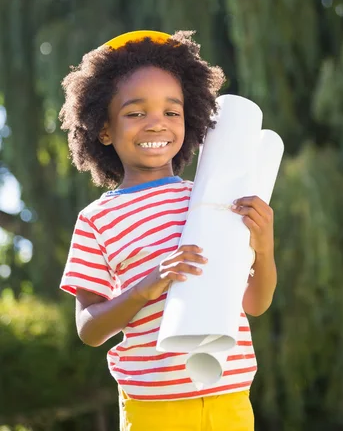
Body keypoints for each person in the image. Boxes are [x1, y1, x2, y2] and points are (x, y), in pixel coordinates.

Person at [59, 30, 277, 431]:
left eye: (171, 112)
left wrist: (264, 249)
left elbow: (254, 303)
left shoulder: (212, 200)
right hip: (153, 411)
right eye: (136, 112)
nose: (155, 124)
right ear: (103, 128)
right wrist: (148, 284)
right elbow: (89, 329)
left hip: (229, 401)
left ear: (189, 119)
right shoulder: (96, 220)